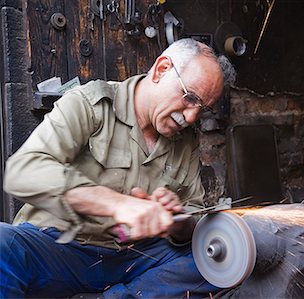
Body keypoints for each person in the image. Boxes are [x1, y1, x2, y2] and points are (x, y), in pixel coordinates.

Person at [0, 38, 236, 298]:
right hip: (62, 248)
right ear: (162, 69)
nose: (191, 117)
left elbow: (195, 217)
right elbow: (23, 171)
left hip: (134, 258)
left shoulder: (186, 139)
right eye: (189, 97)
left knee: (221, 257)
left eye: (202, 110)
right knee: (2, 244)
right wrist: (116, 204)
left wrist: (177, 221)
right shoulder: (90, 103)